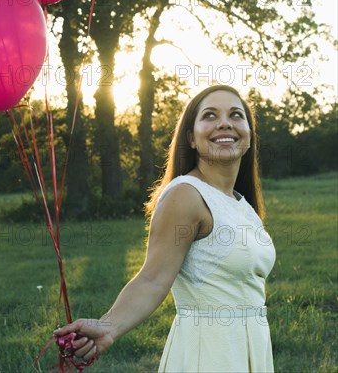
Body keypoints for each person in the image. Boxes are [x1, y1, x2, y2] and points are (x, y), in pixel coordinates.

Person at [54, 84, 276, 372]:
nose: (225, 122)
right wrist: (108, 327)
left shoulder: (242, 203)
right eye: (210, 115)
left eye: (236, 115)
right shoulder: (186, 195)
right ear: (191, 138)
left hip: (251, 345)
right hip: (210, 352)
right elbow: (153, 279)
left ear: (248, 133)